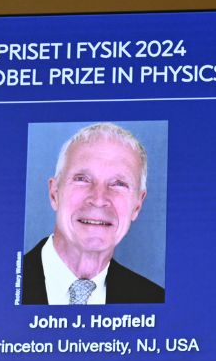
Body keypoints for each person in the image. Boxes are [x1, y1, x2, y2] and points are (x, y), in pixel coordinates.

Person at [21, 122, 165, 304]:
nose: (98, 199)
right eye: (82, 179)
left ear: (137, 205)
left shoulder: (154, 300)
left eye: (119, 183)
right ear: (54, 193)